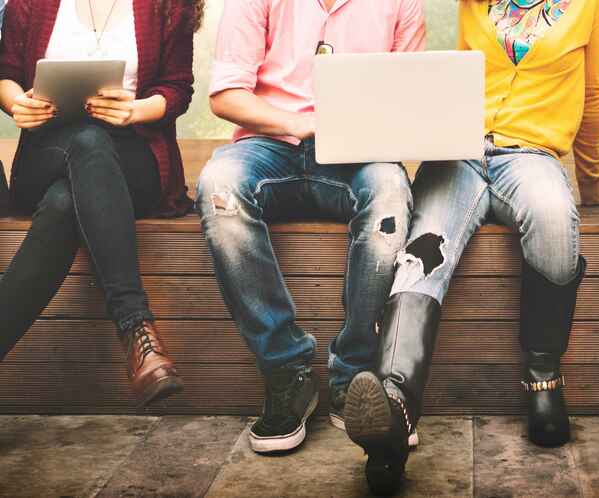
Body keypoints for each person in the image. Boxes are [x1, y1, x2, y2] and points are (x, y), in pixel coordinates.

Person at [343, 0, 599, 494]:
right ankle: (394, 406)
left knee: (555, 218)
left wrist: (593, 184)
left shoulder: (591, 6)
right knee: (422, 252)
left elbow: (592, 94)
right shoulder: (474, 4)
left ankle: (544, 377)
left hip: (530, 155)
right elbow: (457, 84)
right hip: (460, 154)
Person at [197, 0, 424, 455]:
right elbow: (226, 96)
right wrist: (299, 124)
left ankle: (355, 374)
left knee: (390, 193)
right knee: (219, 187)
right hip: (268, 145)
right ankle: (286, 371)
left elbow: (410, 98)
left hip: (357, 153)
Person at [0, 0, 202, 408]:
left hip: (133, 156)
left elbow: (178, 89)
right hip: (47, 152)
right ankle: (137, 330)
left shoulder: (167, 5)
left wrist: (135, 110)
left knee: (63, 203)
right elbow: (6, 75)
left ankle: (136, 331)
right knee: (86, 143)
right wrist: (18, 103)